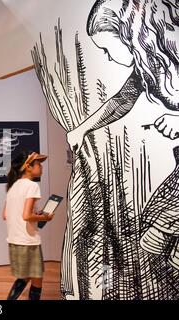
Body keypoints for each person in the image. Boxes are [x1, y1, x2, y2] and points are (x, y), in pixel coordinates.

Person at [67, 0, 179, 268]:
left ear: (127, 33)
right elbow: (121, 101)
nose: (106, 56)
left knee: (164, 241)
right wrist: (82, 129)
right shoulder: (148, 67)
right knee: (154, 239)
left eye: (106, 49)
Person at [2, 151, 54, 300]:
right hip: (29, 241)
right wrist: (45, 217)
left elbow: (5, 215)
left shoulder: (13, 186)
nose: (41, 167)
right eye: (38, 164)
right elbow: (26, 216)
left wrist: (35, 214)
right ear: (28, 167)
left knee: (25, 276)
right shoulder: (32, 186)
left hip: (14, 240)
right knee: (37, 278)